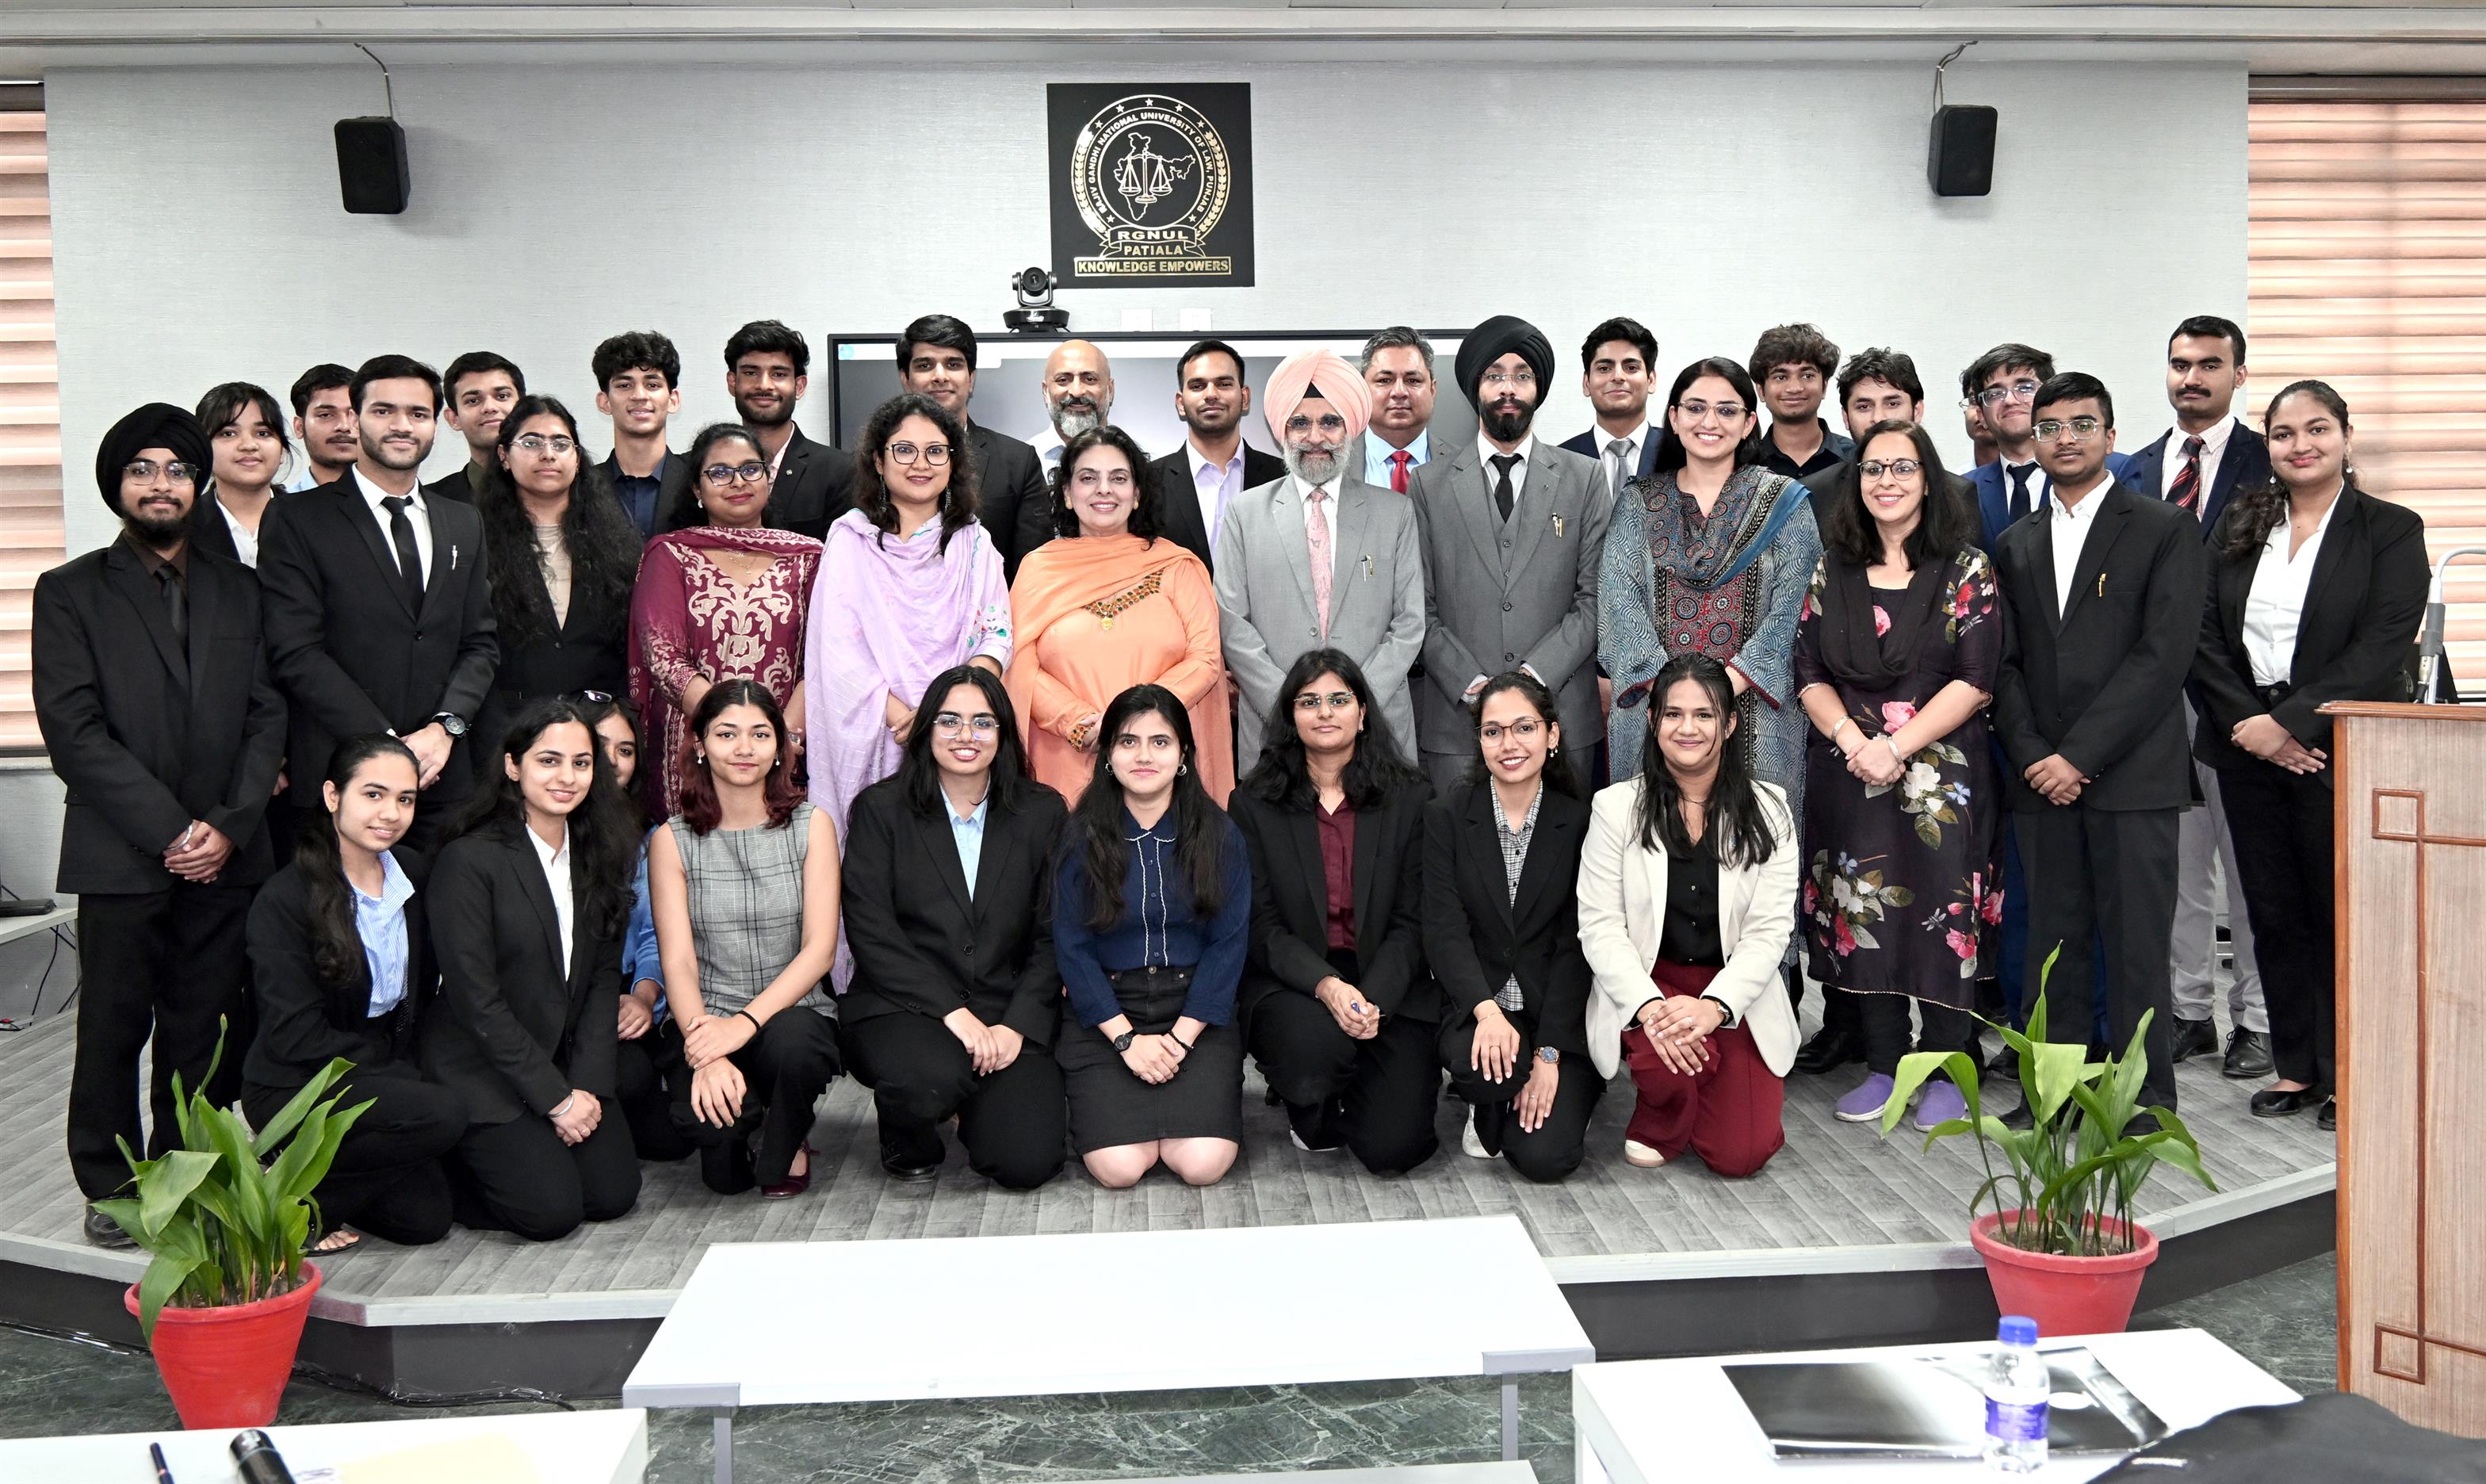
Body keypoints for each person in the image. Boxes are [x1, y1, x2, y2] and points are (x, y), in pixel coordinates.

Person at [33, 403, 286, 1247]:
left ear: (197, 485)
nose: (160, 485)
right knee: (112, 1028)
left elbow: (266, 715)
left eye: (177, 470)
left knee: (202, 1030)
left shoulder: (242, 588)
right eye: (141, 470)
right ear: (116, 485)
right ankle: (110, 1188)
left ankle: (190, 1177)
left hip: (227, 852)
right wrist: (173, 832)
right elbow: (73, 731)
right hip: (121, 852)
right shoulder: (69, 591)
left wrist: (229, 826)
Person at [2194, 381, 2426, 1135]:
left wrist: (2290, 725)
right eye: (2284, 433)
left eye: (2317, 429)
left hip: (2340, 745)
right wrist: (2250, 724)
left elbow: (2383, 644)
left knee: (2343, 915)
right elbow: (2200, 630)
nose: (2301, 445)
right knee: (2272, 911)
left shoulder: (2389, 528)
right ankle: (2298, 1063)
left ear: (2345, 436)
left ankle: (2353, 1071)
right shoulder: (2240, 520)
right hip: (2245, 744)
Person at [1991, 373, 2205, 1120]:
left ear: (2111, 436)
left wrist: (2077, 758)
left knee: (2136, 948)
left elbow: (2163, 657)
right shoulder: (2015, 542)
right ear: (2033, 441)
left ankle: (2143, 1100)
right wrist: (2033, 756)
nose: (2066, 438)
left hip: (2132, 776)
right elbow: (2003, 664)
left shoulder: (2163, 528)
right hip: (2041, 779)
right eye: (2050, 427)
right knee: (2053, 949)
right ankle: (2053, 1096)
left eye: (2082, 424)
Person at [1794, 419, 2003, 1130]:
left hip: (1941, 780)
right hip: (1849, 770)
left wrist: (1898, 745)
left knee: (1943, 919)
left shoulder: (1967, 568)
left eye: (1903, 468)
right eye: (1874, 468)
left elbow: (1975, 679)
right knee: (1865, 914)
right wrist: (1856, 740)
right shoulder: (1833, 568)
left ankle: (1947, 1066)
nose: (1887, 481)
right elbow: (1808, 670)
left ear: (1929, 480)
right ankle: (1885, 1065)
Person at [259, 354, 499, 855]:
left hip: (442, 777)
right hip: (340, 777)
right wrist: (386, 744)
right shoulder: (297, 518)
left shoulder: (463, 521)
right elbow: (296, 651)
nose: (402, 426)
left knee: (447, 904)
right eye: (384, 411)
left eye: (418, 413)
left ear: (436, 424)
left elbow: (479, 643)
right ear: (356, 417)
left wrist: (444, 729)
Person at [840, 666, 1071, 1187]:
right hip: (906, 1007)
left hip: (1006, 1008)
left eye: (983, 722)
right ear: (926, 729)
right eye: (949, 721)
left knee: (1026, 1163)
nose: (966, 735)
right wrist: (952, 1013)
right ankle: (909, 1127)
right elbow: (873, 933)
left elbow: (1054, 934)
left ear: (1003, 733)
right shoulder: (881, 810)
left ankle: (974, 1106)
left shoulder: (1042, 812)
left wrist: (1017, 1025)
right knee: (926, 1082)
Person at [423, 698, 641, 1241]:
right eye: (549, 761)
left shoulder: (600, 851)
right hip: (483, 1067)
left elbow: (602, 981)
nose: (567, 777)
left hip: (560, 1058)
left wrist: (586, 1089)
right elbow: (477, 1002)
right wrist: (556, 1100)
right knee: (550, 1214)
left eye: (581, 763)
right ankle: (441, 1167)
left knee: (612, 1194)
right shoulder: (469, 859)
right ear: (513, 766)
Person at [2123, 315, 2274, 1080]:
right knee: (2177, 871)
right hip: (2156, 703)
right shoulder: (2136, 469)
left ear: (2238, 375)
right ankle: (2189, 1012)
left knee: (2248, 870)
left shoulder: (2271, 462)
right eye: (2181, 363)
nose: (2193, 377)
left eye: (2210, 364)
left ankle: (2258, 1019)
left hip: (2240, 698)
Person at [1578, 655, 1800, 1176]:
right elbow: (1600, 926)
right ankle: (1663, 1110)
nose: (1688, 728)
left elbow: (1770, 932)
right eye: (1673, 714)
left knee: (1740, 1156)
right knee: (1668, 1066)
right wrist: (1651, 1008)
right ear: (1652, 720)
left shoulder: (1770, 809)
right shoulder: (1615, 808)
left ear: (1730, 723)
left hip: (1733, 987)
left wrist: (1716, 1008)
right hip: (1650, 982)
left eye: (1704, 715)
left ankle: (1701, 1089)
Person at [243, 735, 465, 1253]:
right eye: (373, 794)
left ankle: (298, 1183)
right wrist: (403, 1076)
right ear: (332, 795)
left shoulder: (413, 874)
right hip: (298, 1081)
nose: (391, 813)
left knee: (424, 1221)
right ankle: (291, 1195)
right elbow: (296, 1035)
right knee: (443, 1112)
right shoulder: (286, 898)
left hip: (380, 1068)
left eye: (405, 799)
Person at [1231, 649, 1438, 1174]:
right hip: (1296, 980)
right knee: (1314, 1066)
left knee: (1395, 1150)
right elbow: (1261, 925)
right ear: (1291, 716)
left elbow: (1414, 921)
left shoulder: (1410, 797)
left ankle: (1356, 1083)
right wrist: (1327, 986)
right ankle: (1312, 1094)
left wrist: (1374, 1001)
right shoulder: (1253, 802)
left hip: (1387, 978)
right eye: (1309, 701)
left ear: (1362, 713)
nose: (1324, 712)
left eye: (1339, 699)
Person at [648, 682, 844, 1195]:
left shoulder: (812, 826)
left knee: (796, 1050)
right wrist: (707, 1051)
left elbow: (820, 951)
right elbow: (678, 962)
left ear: (780, 746)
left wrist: (745, 1024)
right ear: (700, 744)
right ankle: (751, 1115)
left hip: (791, 1013)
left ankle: (788, 1124)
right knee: (721, 1167)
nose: (744, 748)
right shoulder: (671, 840)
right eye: (726, 734)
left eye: (760, 734)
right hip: (706, 1016)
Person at [1053, 685, 1252, 1188]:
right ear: (1108, 755)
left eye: (1160, 742)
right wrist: (1125, 1039)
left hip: (1195, 1012)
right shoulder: (1079, 837)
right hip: (1107, 1012)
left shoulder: (1220, 834)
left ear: (1184, 754)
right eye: (1128, 742)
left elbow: (1229, 944)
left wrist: (1180, 1039)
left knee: (1202, 1164)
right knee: (1118, 1168)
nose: (1144, 756)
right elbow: (1072, 949)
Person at [1600, 357, 1821, 802]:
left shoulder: (1786, 503)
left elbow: (1793, 613)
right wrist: (1675, 700)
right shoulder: (1637, 502)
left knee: (1753, 835)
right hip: (1655, 710)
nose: (1710, 422)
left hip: (1756, 711)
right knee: (1652, 835)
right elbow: (1619, 606)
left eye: (1727, 410)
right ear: (1674, 418)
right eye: (1696, 408)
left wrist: (1723, 690)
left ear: (1749, 423)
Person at [1410, 314, 1612, 794]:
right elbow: (1417, 607)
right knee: (1460, 842)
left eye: (1522, 376)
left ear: (1538, 389)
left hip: (1562, 721)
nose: (1508, 388)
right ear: (1474, 387)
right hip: (1458, 724)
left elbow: (1596, 599)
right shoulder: (1429, 484)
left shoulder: (1584, 478)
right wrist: (1475, 686)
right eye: (1494, 375)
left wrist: (1533, 679)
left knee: (1563, 844)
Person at [806, 392, 1009, 842]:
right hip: (881, 729)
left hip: (960, 731)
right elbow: (839, 652)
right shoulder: (850, 540)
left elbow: (995, 636)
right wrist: (908, 720)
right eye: (904, 450)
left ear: (953, 463)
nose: (921, 463)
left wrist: (943, 713)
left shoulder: (975, 544)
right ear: (879, 461)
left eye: (936, 451)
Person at [1426, 671, 1600, 1180]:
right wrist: (1486, 1012)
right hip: (1478, 1005)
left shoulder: (1582, 822)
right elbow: (1444, 931)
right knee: (1487, 1074)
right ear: (1478, 740)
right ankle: (1491, 1098)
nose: (1509, 744)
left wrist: (1549, 1053)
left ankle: (1557, 1088)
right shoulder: (1446, 817)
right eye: (1493, 731)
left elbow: (1576, 947)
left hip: (1555, 1014)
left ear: (1552, 734)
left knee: (1545, 1159)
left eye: (1524, 728)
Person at [1217, 349, 1426, 767]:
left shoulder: (1395, 512)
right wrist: (1291, 706)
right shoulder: (1244, 512)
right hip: (1276, 731)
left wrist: (1356, 703)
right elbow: (1232, 622)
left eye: (1330, 422)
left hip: (1376, 726)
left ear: (1350, 429)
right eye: (1300, 423)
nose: (1315, 437)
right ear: (1281, 430)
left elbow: (1409, 623)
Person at [1007, 423, 1233, 805]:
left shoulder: (1177, 565)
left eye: (1118, 478)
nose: (1104, 489)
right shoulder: (1037, 569)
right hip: (1068, 757)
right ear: (1067, 493)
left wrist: (1135, 722)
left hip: (1161, 758)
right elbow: (1019, 663)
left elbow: (1206, 659)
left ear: (1137, 493)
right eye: (1088, 478)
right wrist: (1078, 723)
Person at [629, 421, 823, 818]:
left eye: (751, 469)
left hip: (785, 748)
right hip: (695, 746)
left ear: (768, 479)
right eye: (719, 472)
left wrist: (780, 735)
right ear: (697, 490)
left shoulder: (809, 558)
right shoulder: (671, 554)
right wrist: (730, 730)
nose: (738, 482)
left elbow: (822, 658)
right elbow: (664, 659)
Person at [472, 396, 640, 773]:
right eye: (531, 442)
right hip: (507, 738)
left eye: (561, 444)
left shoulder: (617, 544)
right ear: (503, 456)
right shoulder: (473, 539)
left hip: (596, 740)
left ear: (577, 459)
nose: (548, 454)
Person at [579, 694, 694, 1162]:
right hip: (557, 1005)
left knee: (678, 1138)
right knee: (627, 1077)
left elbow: (653, 934)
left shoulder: (648, 839)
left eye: (625, 750)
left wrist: (644, 997)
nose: (612, 761)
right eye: (599, 745)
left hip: (624, 993)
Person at [897, 314, 1053, 577]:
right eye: (925, 365)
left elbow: (1034, 572)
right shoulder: (877, 462)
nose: (940, 376)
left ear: (971, 379)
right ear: (906, 379)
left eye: (953, 364)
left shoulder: (1018, 462)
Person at [1961, 343, 2138, 552]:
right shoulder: (1964, 490)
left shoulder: (2115, 469)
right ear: (1981, 415)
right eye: (1995, 393)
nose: (2009, 400)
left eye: (2025, 387)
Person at [1148, 338, 1286, 572]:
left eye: (1223, 384)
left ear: (1245, 398)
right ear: (1180, 403)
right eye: (1197, 386)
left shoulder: (1283, 478)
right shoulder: (1147, 482)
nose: (1211, 394)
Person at [713, 318, 852, 540]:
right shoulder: (706, 469)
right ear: (732, 382)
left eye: (778, 374)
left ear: (799, 386)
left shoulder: (840, 471)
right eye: (751, 373)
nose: (764, 385)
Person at [593, 331, 687, 541]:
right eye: (624, 386)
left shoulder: (698, 482)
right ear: (604, 402)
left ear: (673, 400)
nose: (639, 396)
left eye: (652, 385)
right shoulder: (581, 487)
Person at [1560, 316, 1661, 500]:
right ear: (1587, 383)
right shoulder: (1560, 461)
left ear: (1651, 380)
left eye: (1631, 367)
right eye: (1605, 368)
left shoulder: (1681, 452)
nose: (1618, 376)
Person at [191, 381, 291, 566]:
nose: (248, 445)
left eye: (262, 433)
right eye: (229, 434)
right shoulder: (183, 529)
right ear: (203, 449)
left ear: (282, 451)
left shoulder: (312, 521)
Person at [1360, 327, 1463, 491]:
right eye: (1385, 380)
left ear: (1432, 390)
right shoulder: (1333, 462)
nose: (1399, 392)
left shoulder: (1466, 465)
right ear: (1362, 390)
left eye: (1413, 381)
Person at [1750, 324, 1854, 480]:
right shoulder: (1745, 464)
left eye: (1807, 376)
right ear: (1761, 391)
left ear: (1824, 387)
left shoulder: (1857, 459)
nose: (1795, 388)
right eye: (1781, 377)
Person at [423, 350, 525, 505]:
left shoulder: (560, 491)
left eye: (502, 396)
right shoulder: (428, 503)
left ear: (524, 408)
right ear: (454, 419)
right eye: (473, 401)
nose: (490, 407)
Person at [1032, 339, 1115, 480]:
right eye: (1063, 380)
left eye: (1090, 379)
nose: (1077, 392)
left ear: (1110, 390)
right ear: (1045, 391)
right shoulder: (1020, 463)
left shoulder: (1138, 460)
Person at [286, 362, 358, 492]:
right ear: (299, 427)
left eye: (354, 414)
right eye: (326, 415)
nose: (344, 426)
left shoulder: (393, 500)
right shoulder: (280, 504)